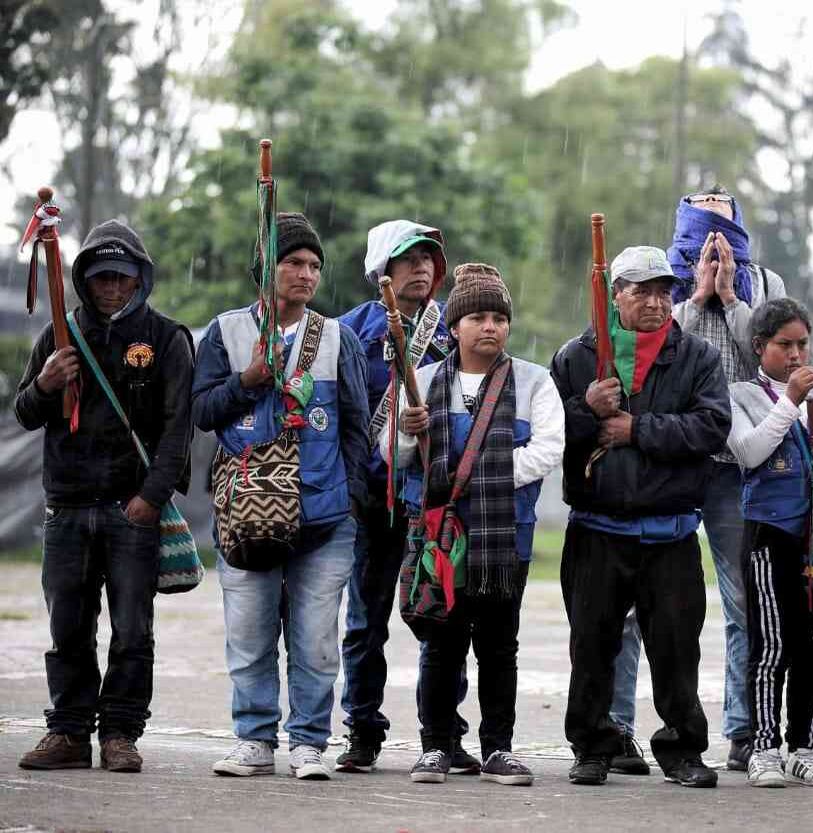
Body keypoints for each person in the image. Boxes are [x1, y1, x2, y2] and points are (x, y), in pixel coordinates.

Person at [609, 189, 788, 775]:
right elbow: (650, 352)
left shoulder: (765, 282)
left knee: (746, 603)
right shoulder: (661, 276)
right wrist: (696, 298)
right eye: (700, 206)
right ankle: (616, 726)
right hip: (673, 460)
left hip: (743, 466)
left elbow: (770, 362)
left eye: (721, 206)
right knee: (641, 604)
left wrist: (732, 299)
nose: (711, 218)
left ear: (737, 219)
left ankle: (744, 728)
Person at [194, 212, 370, 780]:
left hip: (325, 515)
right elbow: (200, 413)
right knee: (249, 634)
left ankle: (310, 743)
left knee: (317, 640)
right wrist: (246, 381)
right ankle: (254, 739)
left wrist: (351, 500)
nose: (306, 273)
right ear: (264, 267)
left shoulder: (338, 337)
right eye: (293, 262)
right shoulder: (224, 332)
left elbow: (355, 427)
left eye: (314, 265)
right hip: (246, 512)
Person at [15, 221, 194, 773]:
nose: (110, 288)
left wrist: (150, 496)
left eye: (121, 277)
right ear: (83, 281)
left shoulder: (166, 338)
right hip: (66, 507)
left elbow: (177, 429)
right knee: (67, 627)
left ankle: (120, 733)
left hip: (131, 508)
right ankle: (68, 732)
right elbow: (24, 412)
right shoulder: (59, 336)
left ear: (140, 278)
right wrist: (46, 383)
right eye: (100, 279)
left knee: (133, 630)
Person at [551, 245, 731, 788]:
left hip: (671, 532)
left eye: (664, 292)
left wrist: (637, 429)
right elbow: (550, 433)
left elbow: (711, 427)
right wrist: (587, 410)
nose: (656, 303)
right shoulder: (576, 357)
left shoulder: (696, 356)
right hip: (596, 531)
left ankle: (682, 750)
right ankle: (593, 746)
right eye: (642, 290)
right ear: (614, 295)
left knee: (676, 650)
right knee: (592, 648)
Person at [384, 263, 564, 786]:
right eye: (479, 317)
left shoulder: (534, 381)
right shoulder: (420, 382)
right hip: (438, 539)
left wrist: (485, 473)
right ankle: (436, 747)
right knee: (440, 643)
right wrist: (406, 432)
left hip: (504, 536)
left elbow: (548, 448)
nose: (490, 327)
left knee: (498, 646)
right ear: (455, 327)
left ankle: (498, 748)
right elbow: (390, 454)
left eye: (499, 318)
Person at [334, 221, 476, 775]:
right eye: (408, 258)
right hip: (369, 498)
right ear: (381, 271)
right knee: (365, 621)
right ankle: (362, 730)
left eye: (428, 259)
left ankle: (443, 736)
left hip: (433, 498)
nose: (421, 268)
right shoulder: (349, 333)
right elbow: (345, 419)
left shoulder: (454, 331)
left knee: (440, 617)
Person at [726, 298, 813, 788]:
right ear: (760, 348)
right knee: (771, 644)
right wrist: (791, 400)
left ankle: (804, 747)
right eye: (783, 345)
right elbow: (749, 453)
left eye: (802, 344)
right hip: (768, 535)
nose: (796, 355)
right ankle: (764, 747)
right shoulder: (739, 394)